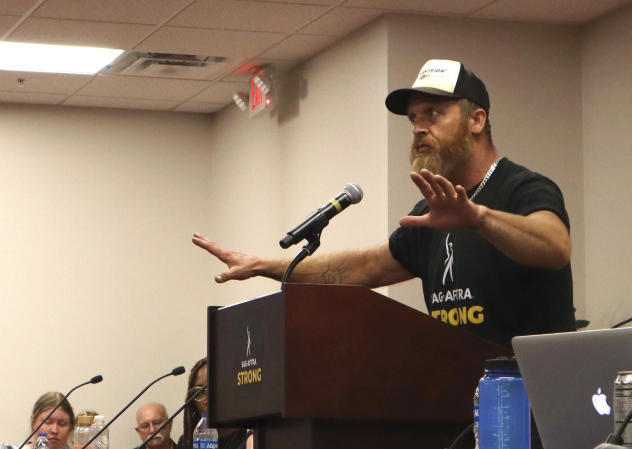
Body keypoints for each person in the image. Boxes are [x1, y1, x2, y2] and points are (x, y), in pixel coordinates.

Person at [193, 59, 574, 349]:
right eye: (413, 118)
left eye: (434, 114)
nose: (418, 128)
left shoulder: (522, 188)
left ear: (477, 120)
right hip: (462, 397)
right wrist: (263, 266)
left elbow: (555, 247)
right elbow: (365, 267)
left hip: (536, 402)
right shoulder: (430, 213)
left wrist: (478, 217)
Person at [178, 357, 248, 449]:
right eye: (199, 391)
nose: (207, 398)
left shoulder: (248, 437)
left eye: (213, 388)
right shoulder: (186, 442)